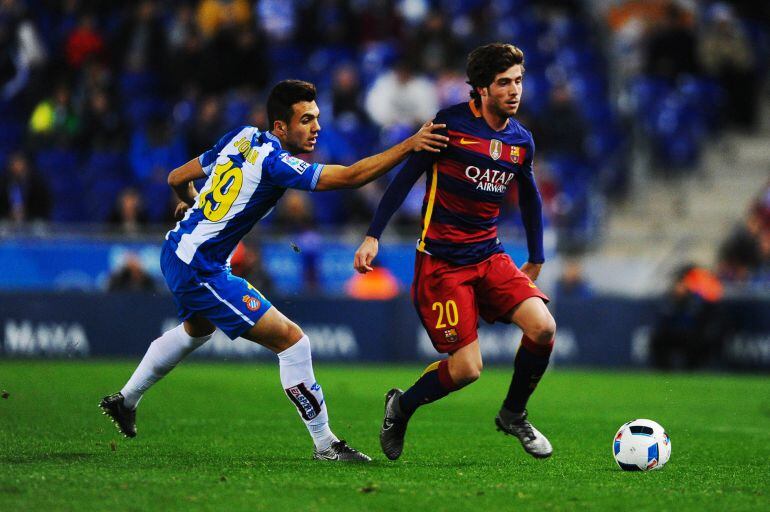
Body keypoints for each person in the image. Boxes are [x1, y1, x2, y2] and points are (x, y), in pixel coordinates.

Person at [100, 79, 448, 462]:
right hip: (199, 267)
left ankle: (126, 400)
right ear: (281, 127)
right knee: (293, 342)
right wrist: (409, 144)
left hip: (178, 249)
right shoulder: (275, 163)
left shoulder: (244, 135)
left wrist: (193, 203)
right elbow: (351, 177)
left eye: (317, 118)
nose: (316, 127)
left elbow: (175, 179)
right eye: (305, 120)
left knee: (198, 329)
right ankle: (326, 445)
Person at [354, 43, 556, 460]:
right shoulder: (448, 126)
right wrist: (373, 234)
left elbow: (531, 197)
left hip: (489, 254)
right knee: (467, 369)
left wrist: (536, 255)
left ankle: (513, 413)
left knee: (543, 328)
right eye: (504, 83)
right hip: (442, 263)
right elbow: (405, 177)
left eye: (518, 81)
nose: (514, 90)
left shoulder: (521, 141)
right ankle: (401, 406)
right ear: (482, 89)